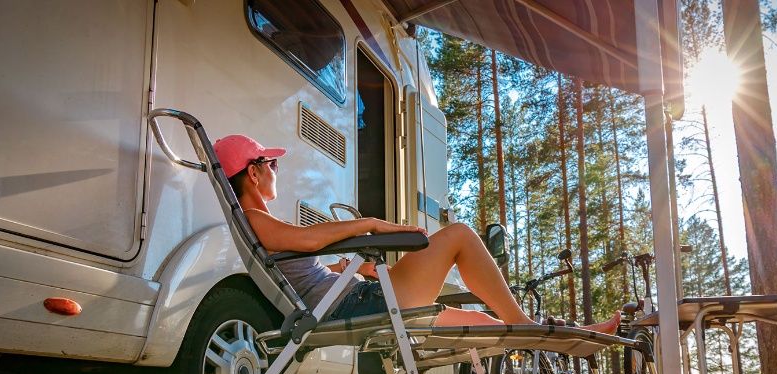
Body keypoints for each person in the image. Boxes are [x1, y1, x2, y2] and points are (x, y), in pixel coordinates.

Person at [212, 134, 621, 334]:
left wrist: (350, 269)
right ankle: (527, 325)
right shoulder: (256, 218)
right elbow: (307, 241)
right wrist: (372, 224)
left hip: (358, 296)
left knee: (485, 323)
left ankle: (562, 331)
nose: (275, 170)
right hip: (359, 306)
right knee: (458, 234)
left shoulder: (261, 220)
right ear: (252, 171)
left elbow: (307, 263)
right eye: (271, 164)